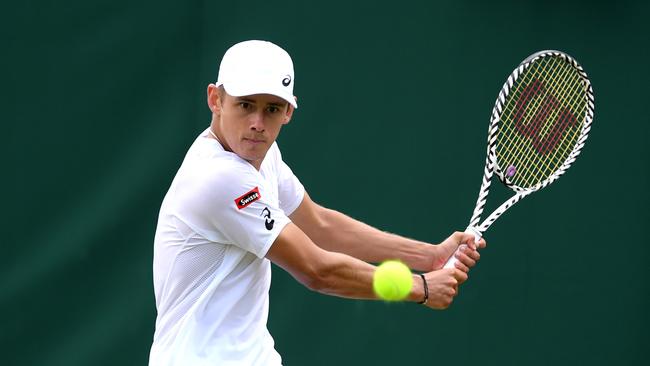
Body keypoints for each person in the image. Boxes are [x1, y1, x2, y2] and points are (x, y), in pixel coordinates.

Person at [148, 40, 486, 366]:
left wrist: (430, 255)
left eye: (272, 109)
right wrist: (421, 287)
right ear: (215, 99)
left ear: (289, 112)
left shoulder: (261, 154)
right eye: (246, 104)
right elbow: (317, 270)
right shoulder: (219, 178)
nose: (257, 123)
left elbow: (320, 226)